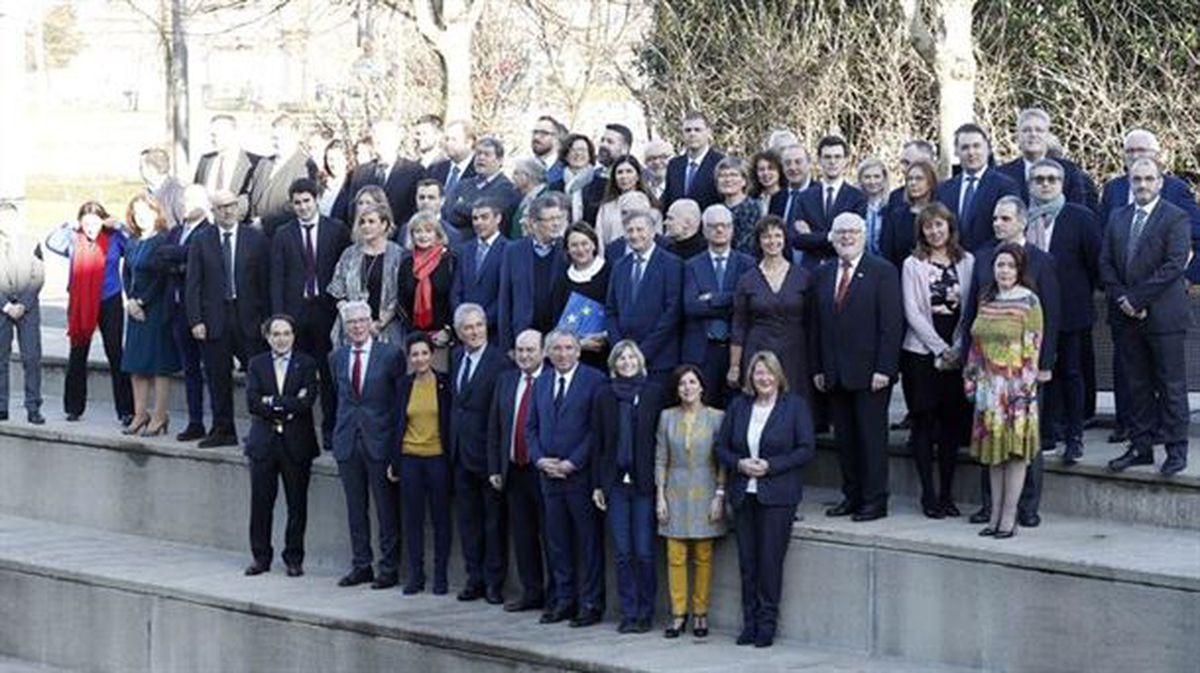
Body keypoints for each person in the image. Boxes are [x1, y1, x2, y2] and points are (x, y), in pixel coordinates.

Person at [962, 196, 1059, 528]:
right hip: (988, 383)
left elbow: (1049, 321)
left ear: (1022, 221)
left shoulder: (1041, 262)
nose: (997, 224)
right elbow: (971, 321)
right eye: (994, 218)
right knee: (992, 450)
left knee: (1021, 449)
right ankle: (990, 508)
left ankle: (1023, 509)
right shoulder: (984, 260)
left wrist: (1042, 367)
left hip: (1020, 380)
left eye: (1004, 218)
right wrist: (970, 372)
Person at [1099, 129, 1200, 442]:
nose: (1136, 156)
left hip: (1162, 303)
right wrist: (1122, 297)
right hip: (1124, 306)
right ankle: (1132, 432)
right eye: (1129, 151)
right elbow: (1105, 252)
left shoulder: (1176, 193)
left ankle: (1172, 443)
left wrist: (1186, 277)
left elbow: (1184, 245)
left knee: (1168, 380)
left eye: (1142, 149)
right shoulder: (1114, 192)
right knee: (1132, 377)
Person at [716, 350, 814, 648]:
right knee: (748, 563)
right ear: (750, 377)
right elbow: (721, 447)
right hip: (744, 494)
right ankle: (750, 623)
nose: (764, 378)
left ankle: (767, 625)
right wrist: (739, 464)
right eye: (758, 373)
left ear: (778, 375)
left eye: (768, 372)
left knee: (769, 562)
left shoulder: (794, 406)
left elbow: (806, 449)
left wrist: (771, 466)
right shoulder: (739, 406)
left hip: (778, 496)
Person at [812, 213, 903, 522]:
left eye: (852, 232)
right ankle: (851, 496)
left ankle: (875, 501)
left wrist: (885, 369)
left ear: (864, 235)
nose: (846, 237)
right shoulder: (823, 274)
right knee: (845, 441)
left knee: (871, 441)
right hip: (835, 373)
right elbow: (818, 326)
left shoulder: (883, 271)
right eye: (840, 233)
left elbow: (891, 325)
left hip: (871, 375)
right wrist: (819, 368)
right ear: (833, 237)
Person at [964, 243, 1044, 538]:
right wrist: (971, 379)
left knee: (1014, 455)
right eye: (1000, 265)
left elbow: (1033, 348)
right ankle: (994, 515)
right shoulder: (987, 299)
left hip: (1015, 391)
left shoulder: (1030, 302)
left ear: (1019, 269)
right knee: (993, 455)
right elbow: (975, 345)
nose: (1005, 271)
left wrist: (1022, 389)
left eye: (1010, 265)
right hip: (987, 390)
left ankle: (1009, 517)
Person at [900, 203, 975, 518]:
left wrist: (957, 347)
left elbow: (970, 307)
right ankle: (928, 495)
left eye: (939, 225)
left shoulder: (968, 261)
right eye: (928, 227)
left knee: (950, 426)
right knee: (924, 423)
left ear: (949, 227)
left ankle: (946, 494)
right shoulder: (912, 263)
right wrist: (938, 347)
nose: (934, 232)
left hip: (958, 351)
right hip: (921, 352)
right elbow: (912, 310)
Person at [528, 330, 606, 628]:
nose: (562, 354)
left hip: (580, 476)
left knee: (587, 543)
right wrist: (539, 459)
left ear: (578, 351)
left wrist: (574, 461)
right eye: (557, 349)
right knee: (556, 542)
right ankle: (564, 600)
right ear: (548, 353)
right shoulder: (542, 381)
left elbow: (595, 429)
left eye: (569, 348)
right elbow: (531, 427)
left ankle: (590, 603)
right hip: (549, 476)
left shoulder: (595, 380)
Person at [1026, 158, 1100, 464]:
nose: (1045, 184)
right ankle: (1048, 432)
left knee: (1071, 372)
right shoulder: (1024, 218)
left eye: (1052, 179)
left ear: (1062, 183)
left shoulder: (1079, 217)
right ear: (1030, 184)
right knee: (1044, 375)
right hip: (1032, 313)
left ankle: (1074, 436)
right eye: (1039, 179)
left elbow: (1094, 262)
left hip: (1071, 311)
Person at [185, 188, 272, 447]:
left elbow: (265, 283)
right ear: (213, 211)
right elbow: (193, 284)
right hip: (214, 319)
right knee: (217, 376)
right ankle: (223, 429)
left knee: (259, 377)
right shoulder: (202, 240)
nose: (227, 211)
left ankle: (263, 428)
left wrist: (269, 321)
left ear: (238, 207)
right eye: (221, 207)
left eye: (231, 205)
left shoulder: (255, 239)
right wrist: (196, 320)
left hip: (250, 318)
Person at [270, 177, 351, 447]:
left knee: (328, 374)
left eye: (307, 201)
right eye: (297, 203)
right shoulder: (283, 233)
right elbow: (277, 277)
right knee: (296, 373)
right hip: (295, 313)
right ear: (292, 205)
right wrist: (279, 316)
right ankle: (298, 428)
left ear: (316, 200)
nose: (303, 207)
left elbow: (344, 270)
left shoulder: (336, 230)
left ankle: (329, 428)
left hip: (326, 311)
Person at [591, 340, 665, 633]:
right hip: (615, 485)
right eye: (621, 358)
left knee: (644, 552)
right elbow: (598, 441)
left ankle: (646, 612)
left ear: (640, 361)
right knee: (622, 553)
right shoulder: (604, 395)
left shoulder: (654, 393)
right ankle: (629, 612)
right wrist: (598, 484)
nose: (626, 362)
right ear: (613, 364)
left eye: (631, 357)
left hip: (645, 484)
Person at [330, 300, 403, 589]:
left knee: (386, 508)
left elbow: (397, 403)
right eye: (351, 322)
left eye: (362, 320)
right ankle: (361, 564)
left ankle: (389, 567)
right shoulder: (337, 357)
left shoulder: (390, 355)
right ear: (345, 328)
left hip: (379, 440)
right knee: (355, 507)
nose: (357, 326)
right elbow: (339, 397)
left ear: (371, 322)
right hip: (348, 441)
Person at [243, 315, 319, 577]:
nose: (281, 339)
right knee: (261, 503)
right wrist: (287, 403)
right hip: (263, 443)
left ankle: (294, 558)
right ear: (268, 337)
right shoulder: (256, 364)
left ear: (294, 336)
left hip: (297, 444)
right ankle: (260, 557)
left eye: (286, 333)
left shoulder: (307, 364)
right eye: (276, 334)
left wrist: (272, 402)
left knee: (297, 505)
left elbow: (307, 401)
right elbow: (252, 402)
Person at [46, 201, 134, 424]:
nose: (91, 228)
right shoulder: (74, 240)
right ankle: (74, 407)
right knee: (78, 352)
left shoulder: (114, 238)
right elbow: (51, 242)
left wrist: (120, 224)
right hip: (82, 303)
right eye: (86, 223)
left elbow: (134, 245)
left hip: (109, 299)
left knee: (115, 352)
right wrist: (69, 225)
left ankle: (126, 409)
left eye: (95, 223)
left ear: (103, 221)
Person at [655, 364, 726, 639]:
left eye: (692, 382)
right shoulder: (666, 417)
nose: (687, 388)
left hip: (706, 489)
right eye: (682, 383)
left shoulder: (717, 418)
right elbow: (661, 457)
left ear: (702, 387)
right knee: (675, 555)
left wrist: (720, 494)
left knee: (704, 556)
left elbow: (722, 461)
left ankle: (700, 613)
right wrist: (659, 495)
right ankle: (677, 614)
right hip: (674, 489)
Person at [448, 303, 512, 603]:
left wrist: (497, 462)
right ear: (459, 332)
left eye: (478, 326)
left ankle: (494, 583)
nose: (474, 332)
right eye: (468, 328)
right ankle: (474, 578)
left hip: (487, 458)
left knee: (493, 523)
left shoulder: (500, 362)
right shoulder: (456, 356)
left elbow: (500, 415)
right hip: (460, 454)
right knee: (468, 522)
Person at [488, 329, 553, 613]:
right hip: (514, 470)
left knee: (551, 536)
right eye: (520, 351)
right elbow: (494, 428)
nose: (525, 356)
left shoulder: (551, 381)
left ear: (542, 352)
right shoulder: (506, 380)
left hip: (543, 470)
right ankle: (532, 592)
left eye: (530, 350)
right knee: (523, 536)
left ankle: (557, 595)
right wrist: (495, 468)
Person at [390, 331, 453, 594]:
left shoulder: (445, 384)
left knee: (441, 520)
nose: (419, 358)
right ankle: (416, 576)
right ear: (409, 358)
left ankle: (440, 576)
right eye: (414, 354)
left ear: (432, 354)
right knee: (413, 520)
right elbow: (397, 424)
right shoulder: (403, 385)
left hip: (438, 459)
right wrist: (395, 461)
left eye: (424, 353)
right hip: (411, 459)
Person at [729, 215, 812, 397]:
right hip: (759, 349)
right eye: (766, 236)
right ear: (759, 242)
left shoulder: (804, 277)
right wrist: (734, 366)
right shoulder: (747, 280)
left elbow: (812, 323)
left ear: (784, 239)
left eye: (777, 236)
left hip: (796, 353)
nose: (772, 241)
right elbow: (739, 325)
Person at [682, 205, 755, 408]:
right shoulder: (692, 265)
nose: (720, 230)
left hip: (736, 349)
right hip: (702, 351)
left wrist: (712, 298)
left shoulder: (747, 264)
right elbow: (690, 306)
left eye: (725, 226)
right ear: (704, 231)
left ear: (732, 229)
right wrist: (732, 300)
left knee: (737, 410)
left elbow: (746, 303)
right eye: (713, 226)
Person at [120, 195, 181, 437]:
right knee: (136, 364)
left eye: (145, 211)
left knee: (159, 366)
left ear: (156, 212)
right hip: (135, 309)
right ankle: (139, 414)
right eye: (136, 212)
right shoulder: (133, 241)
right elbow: (126, 273)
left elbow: (161, 277)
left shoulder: (162, 241)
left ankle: (159, 416)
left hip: (155, 310)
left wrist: (142, 301)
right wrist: (131, 301)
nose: (140, 216)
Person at [158, 185, 212, 440]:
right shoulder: (176, 231)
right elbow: (161, 257)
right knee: (189, 369)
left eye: (191, 199)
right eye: (183, 199)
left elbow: (201, 262)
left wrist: (180, 260)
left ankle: (220, 423)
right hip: (177, 310)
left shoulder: (209, 232)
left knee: (211, 370)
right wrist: (182, 261)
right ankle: (195, 421)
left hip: (202, 312)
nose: (185, 204)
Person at [606, 209, 683, 382]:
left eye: (640, 230)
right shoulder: (620, 266)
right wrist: (622, 350)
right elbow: (611, 311)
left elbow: (672, 313)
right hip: (624, 362)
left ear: (653, 232)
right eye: (630, 231)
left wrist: (641, 353)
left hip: (659, 360)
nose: (634, 235)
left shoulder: (672, 264)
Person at [327, 203, 405, 346]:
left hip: (386, 329)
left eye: (371, 221)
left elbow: (401, 295)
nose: (365, 226)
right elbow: (337, 289)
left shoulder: (398, 255)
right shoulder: (349, 254)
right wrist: (349, 314)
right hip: (351, 330)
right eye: (362, 222)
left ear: (384, 224)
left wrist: (380, 323)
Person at [936, 123, 1020, 252]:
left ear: (988, 149)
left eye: (976, 146)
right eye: (965, 147)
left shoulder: (1005, 186)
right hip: (952, 261)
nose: (971, 152)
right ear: (956, 152)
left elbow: (1008, 229)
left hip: (990, 261)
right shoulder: (944, 190)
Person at [498, 194, 568, 349]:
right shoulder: (513, 251)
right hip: (523, 335)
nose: (556, 224)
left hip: (557, 336)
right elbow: (505, 299)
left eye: (558, 218)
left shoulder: (567, 249)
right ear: (534, 223)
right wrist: (507, 345)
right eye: (550, 220)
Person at [998, 107, 1098, 212]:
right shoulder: (1002, 175)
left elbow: (1079, 212)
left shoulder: (1069, 171)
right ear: (1018, 136)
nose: (1033, 134)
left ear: (1047, 136)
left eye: (1039, 130)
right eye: (1026, 130)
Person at [790, 136, 867, 268]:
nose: (832, 162)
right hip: (811, 270)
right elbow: (798, 241)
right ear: (819, 160)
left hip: (842, 270)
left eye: (837, 157)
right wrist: (834, 236)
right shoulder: (804, 197)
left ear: (846, 160)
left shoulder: (857, 198)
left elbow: (852, 240)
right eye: (827, 157)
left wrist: (813, 237)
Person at [0, 201, 45, 424]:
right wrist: (6, 305)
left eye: (9, 218)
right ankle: (1, 405)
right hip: (2, 309)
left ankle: (33, 406)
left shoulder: (31, 242)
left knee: (32, 358)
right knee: (0, 358)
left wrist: (23, 305)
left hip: (28, 309)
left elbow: (38, 276)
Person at [398, 211, 458, 371]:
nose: (423, 235)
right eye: (418, 231)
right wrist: (415, 334)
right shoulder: (406, 263)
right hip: (414, 340)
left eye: (428, 231)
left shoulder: (450, 261)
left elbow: (455, 298)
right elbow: (401, 301)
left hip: (442, 339)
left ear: (437, 234)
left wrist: (448, 331)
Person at [550, 222, 610, 370]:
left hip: (604, 354)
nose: (580, 249)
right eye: (574, 245)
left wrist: (604, 337)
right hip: (570, 358)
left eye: (585, 243)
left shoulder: (611, 272)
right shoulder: (562, 279)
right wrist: (579, 343)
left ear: (594, 245)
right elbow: (556, 320)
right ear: (568, 250)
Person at [248, 113, 319, 238]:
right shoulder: (264, 163)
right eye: (275, 138)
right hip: (254, 235)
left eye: (283, 138)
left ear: (295, 137)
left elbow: (300, 206)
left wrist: (264, 223)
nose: (277, 142)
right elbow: (250, 194)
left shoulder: (305, 165)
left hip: (284, 237)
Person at [349, 120, 426, 233]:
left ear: (396, 141)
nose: (378, 141)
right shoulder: (361, 172)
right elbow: (352, 210)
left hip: (398, 240)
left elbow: (415, 209)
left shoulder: (414, 171)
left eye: (383, 137)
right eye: (375, 137)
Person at [450, 199, 508, 342]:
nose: (479, 222)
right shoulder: (464, 249)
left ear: (498, 218)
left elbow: (505, 294)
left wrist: (480, 323)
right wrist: (463, 320)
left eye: (484, 217)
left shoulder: (509, 250)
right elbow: (457, 289)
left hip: (494, 332)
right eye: (475, 218)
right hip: (464, 332)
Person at [445, 136, 521, 235]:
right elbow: (448, 213)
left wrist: (460, 207)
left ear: (500, 160)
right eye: (478, 154)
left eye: (487, 154)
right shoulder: (462, 184)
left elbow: (488, 219)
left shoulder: (506, 188)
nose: (481, 158)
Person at [662, 112, 724, 211]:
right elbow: (668, 200)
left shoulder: (720, 163)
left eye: (697, 130)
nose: (692, 134)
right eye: (688, 130)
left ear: (708, 132)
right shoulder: (674, 165)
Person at [881, 160, 938, 267]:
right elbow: (887, 253)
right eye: (909, 179)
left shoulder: (941, 214)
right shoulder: (896, 216)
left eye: (919, 179)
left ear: (930, 182)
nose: (913, 183)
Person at [594, 155, 655, 251]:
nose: (624, 176)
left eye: (629, 171)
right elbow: (599, 239)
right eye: (620, 172)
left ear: (638, 176)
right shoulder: (606, 207)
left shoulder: (648, 204)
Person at [193, 114, 259, 198]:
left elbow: (253, 198)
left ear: (234, 133)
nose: (213, 139)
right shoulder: (205, 160)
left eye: (218, 134)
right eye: (212, 134)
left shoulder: (254, 163)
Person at [582, 124, 634, 226]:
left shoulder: (637, 179)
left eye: (610, 142)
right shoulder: (591, 177)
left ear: (625, 149)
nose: (603, 145)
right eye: (602, 140)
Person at [428, 119, 478, 220]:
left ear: (468, 142)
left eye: (454, 140)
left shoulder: (478, 172)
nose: (448, 143)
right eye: (447, 139)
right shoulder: (436, 169)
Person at [716, 156, 765, 256]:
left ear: (744, 181)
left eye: (733, 175)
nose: (728, 179)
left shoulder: (755, 208)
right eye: (722, 175)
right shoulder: (716, 210)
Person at [552, 133, 597, 224]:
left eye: (582, 150)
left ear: (590, 155)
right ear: (565, 155)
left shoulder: (602, 185)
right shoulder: (555, 187)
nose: (578, 154)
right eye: (573, 150)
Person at [140, 147, 186, 227]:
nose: (140, 170)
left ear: (151, 169)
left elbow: (185, 227)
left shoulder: (177, 193)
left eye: (141, 167)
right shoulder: (145, 193)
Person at [857, 158, 889, 256]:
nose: (872, 181)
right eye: (867, 177)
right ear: (860, 180)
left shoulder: (892, 205)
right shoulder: (855, 206)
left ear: (884, 179)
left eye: (877, 176)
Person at [510, 157, 549, 238]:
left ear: (527, 176)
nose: (513, 177)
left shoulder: (544, 198)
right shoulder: (524, 198)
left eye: (516, 173)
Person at [318, 138, 353, 222]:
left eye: (337, 158)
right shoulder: (321, 184)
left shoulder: (352, 185)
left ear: (346, 159)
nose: (332, 164)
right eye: (330, 159)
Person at [749, 150, 783, 217]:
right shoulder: (753, 198)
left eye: (771, 168)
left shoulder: (788, 197)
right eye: (761, 169)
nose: (766, 173)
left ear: (779, 171)